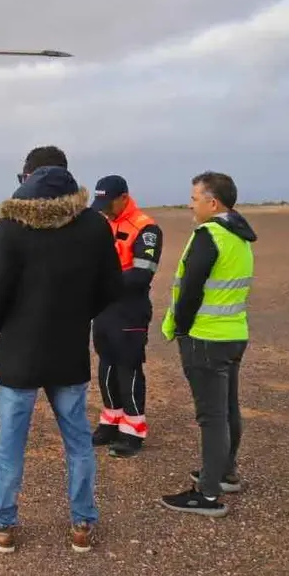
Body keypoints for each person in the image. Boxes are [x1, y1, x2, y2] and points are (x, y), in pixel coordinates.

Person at [0, 145, 122, 554]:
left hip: (20, 351)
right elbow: (111, 287)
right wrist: (78, 316)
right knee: (78, 442)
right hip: (69, 350)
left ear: (28, 176)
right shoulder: (93, 225)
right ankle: (82, 525)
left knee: (11, 444)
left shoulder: (12, 227)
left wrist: (3, 325)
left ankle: (2, 524)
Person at [159, 171, 255, 518]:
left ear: (212, 203)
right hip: (233, 335)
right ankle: (223, 473)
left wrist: (181, 329)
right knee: (228, 407)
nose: (190, 204)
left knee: (212, 417)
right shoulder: (240, 236)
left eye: (195, 198)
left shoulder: (209, 234)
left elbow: (190, 290)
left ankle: (209, 494)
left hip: (206, 338)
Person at [89, 175, 163, 458]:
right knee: (106, 366)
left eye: (109, 203)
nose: (106, 209)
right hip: (104, 309)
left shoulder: (146, 228)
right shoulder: (104, 223)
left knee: (128, 367)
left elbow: (141, 274)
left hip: (130, 310)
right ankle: (111, 421)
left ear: (124, 197)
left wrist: (102, 280)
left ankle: (133, 431)